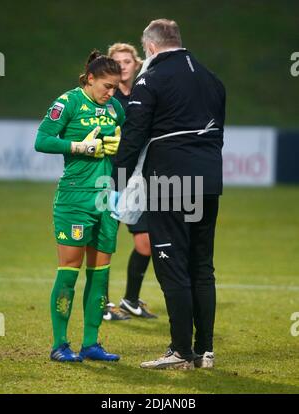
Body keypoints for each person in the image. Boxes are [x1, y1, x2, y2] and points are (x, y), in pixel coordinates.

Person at [111, 19, 226, 370]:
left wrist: (115, 181)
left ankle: (180, 351)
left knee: (171, 264)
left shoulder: (150, 78)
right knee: (202, 266)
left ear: (149, 47)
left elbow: (134, 134)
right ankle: (204, 351)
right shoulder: (211, 78)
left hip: (170, 182)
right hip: (208, 180)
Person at [35, 49, 125, 362]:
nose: (112, 93)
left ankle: (91, 344)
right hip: (74, 198)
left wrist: (118, 145)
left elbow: (121, 141)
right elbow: (42, 140)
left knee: (100, 275)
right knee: (69, 273)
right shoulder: (68, 102)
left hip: (105, 199)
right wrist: (77, 146)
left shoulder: (114, 108)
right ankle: (60, 345)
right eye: (107, 86)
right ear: (90, 79)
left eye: (116, 87)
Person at [103, 43, 157, 321]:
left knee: (145, 242)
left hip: (136, 180)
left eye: (127, 61)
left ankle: (131, 300)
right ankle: (102, 304)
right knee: (104, 243)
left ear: (137, 65)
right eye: (117, 62)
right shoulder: (105, 100)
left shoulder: (144, 95)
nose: (123, 66)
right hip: (110, 178)